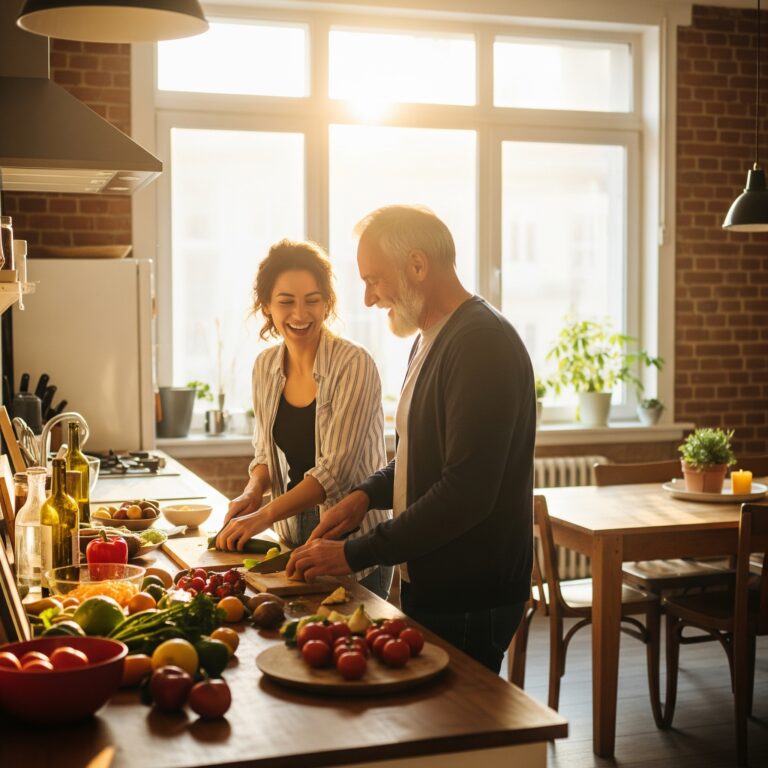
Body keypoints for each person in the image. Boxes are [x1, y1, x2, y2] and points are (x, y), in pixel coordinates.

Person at [286, 205, 536, 672]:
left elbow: (466, 492)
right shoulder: (430, 338)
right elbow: (420, 457)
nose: (367, 299)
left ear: (418, 266)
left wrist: (353, 553)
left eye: (374, 280)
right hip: (438, 580)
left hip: (471, 590)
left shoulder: (481, 343)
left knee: (461, 730)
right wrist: (365, 495)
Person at [216, 239, 392, 598]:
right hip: (292, 539)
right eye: (286, 302)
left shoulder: (353, 364)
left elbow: (334, 472)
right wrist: (252, 493)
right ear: (266, 305)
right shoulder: (265, 367)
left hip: (351, 547)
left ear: (327, 303)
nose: (300, 314)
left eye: (312, 300)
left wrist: (263, 516)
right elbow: (265, 455)